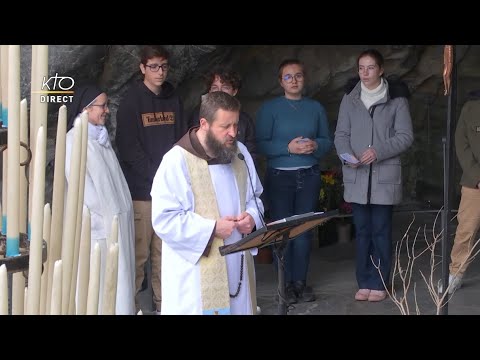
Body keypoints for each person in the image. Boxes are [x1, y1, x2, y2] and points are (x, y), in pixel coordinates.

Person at [151, 91, 264, 315]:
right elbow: (165, 219)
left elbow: (254, 197)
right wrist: (212, 229)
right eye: (225, 126)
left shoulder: (240, 153)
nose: (233, 133)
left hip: (237, 263)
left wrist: (251, 217)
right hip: (196, 275)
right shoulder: (176, 160)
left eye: (236, 124)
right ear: (204, 123)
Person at [334, 48, 413, 302]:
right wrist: (347, 155)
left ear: (380, 70)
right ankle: (364, 280)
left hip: (383, 177)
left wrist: (377, 151)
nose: (364, 73)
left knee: (380, 230)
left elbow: (405, 137)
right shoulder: (350, 98)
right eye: (360, 68)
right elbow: (341, 135)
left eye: (370, 68)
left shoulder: (396, 99)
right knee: (363, 231)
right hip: (357, 176)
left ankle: (380, 281)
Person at [115, 45, 187, 314]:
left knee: (166, 256)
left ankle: (163, 306)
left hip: (169, 193)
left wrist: (172, 180)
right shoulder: (131, 101)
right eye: (154, 66)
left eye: (164, 66)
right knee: (138, 256)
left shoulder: (174, 99)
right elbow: (128, 147)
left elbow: (182, 142)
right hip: (142, 193)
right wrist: (158, 177)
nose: (160, 72)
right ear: (142, 68)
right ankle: (131, 307)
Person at [256, 58, 332, 304]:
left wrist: (316, 145)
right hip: (280, 177)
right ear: (280, 82)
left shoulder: (315, 108)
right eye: (288, 76)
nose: (294, 80)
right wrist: (287, 148)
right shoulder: (270, 109)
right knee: (282, 233)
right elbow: (261, 144)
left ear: (304, 78)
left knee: (303, 232)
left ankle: (300, 281)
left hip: (308, 176)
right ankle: (284, 283)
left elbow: (327, 141)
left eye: (298, 75)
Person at [65, 84, 135, 315]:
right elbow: (81, 189)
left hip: (115, 224)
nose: (107, 110)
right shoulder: (75, 140)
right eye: (102, 105)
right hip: (98, 230)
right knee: (101, 284)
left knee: (119, 282)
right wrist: (107, 215)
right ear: (85, 109)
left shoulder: (99, 137)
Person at [188, 65, 257, 161]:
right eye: (215, 87)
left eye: (225, 87)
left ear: (234, 91)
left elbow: (251, 154)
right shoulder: (198, 115)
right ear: (209, 91)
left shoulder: (245, 120)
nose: (219, 92)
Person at [447, 96, 480, 294]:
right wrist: (477, 177)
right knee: (466, 231)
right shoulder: (471, 108)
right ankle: (455, 274)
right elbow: (461, 144)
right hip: (474, 183)